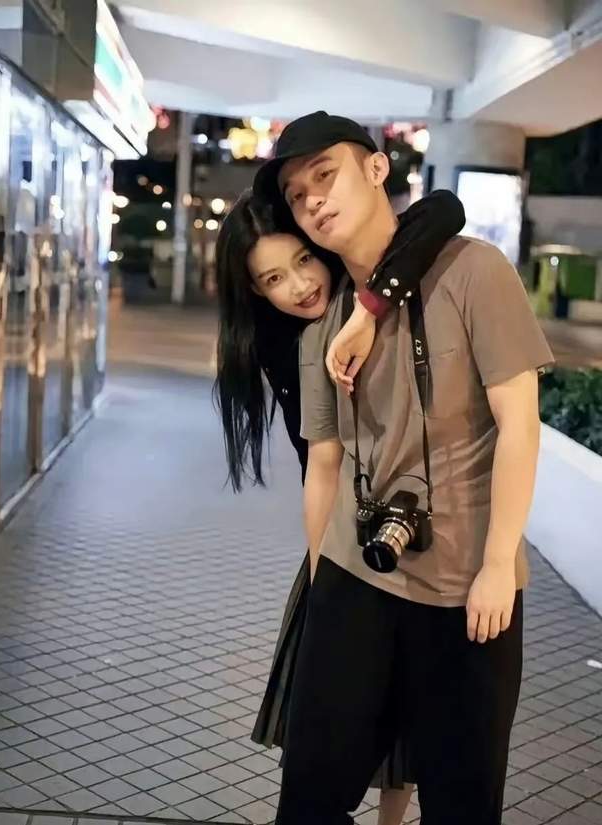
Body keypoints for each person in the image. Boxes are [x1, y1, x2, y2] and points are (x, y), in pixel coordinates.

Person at [253, 111, 555, 825]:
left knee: (461, 799)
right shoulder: (324, 327)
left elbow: (520, 424)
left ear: (376, 168)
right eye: (297, 195)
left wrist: (498, 561)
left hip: (468, 586)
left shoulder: (473, 271)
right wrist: (323, 588)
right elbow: (324, 465)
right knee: (309, 795)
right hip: (357, 574)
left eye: (324, 175)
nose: (313, 200)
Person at [214, 187, 466, 825]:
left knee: (402, 703)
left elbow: (443, 208)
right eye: (273, 278)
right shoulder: (279, 341)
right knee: (325, 717)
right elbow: (319, 464)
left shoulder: (373, 287)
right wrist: (322, 574)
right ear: (254, 293)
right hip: (337, 535)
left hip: (416, 526)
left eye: (303, 259)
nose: (300, 285)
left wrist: (370, 307)